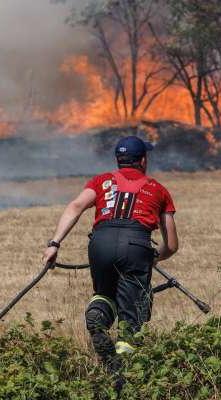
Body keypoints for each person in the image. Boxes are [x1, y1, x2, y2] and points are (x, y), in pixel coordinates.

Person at [42, 135, 179, 385]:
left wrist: (54, 244)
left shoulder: (101, 181)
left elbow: (75, 206)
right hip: (136, 245)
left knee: (104, 292)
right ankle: (123, 375)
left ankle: (97, 316)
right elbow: (171, 244)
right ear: (143, 160)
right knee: (131, 313)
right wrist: (153, 259)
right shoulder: (158, 189)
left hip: (100, 243)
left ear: (118, 160)